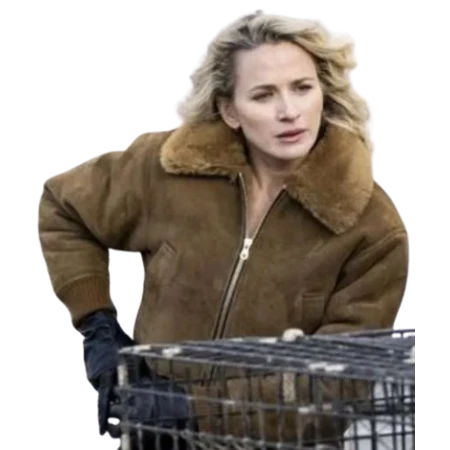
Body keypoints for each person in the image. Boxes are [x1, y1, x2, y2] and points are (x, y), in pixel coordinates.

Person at [37, 12, 409, 449]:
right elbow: (63, 208)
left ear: (323, 94)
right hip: (151, 438)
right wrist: (97, 325)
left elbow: (339, 387)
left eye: (302, 88)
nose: (289, 111)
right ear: (230, 111)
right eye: (263, 95)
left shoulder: (371, 227)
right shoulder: (169, 168)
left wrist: (192, 409)